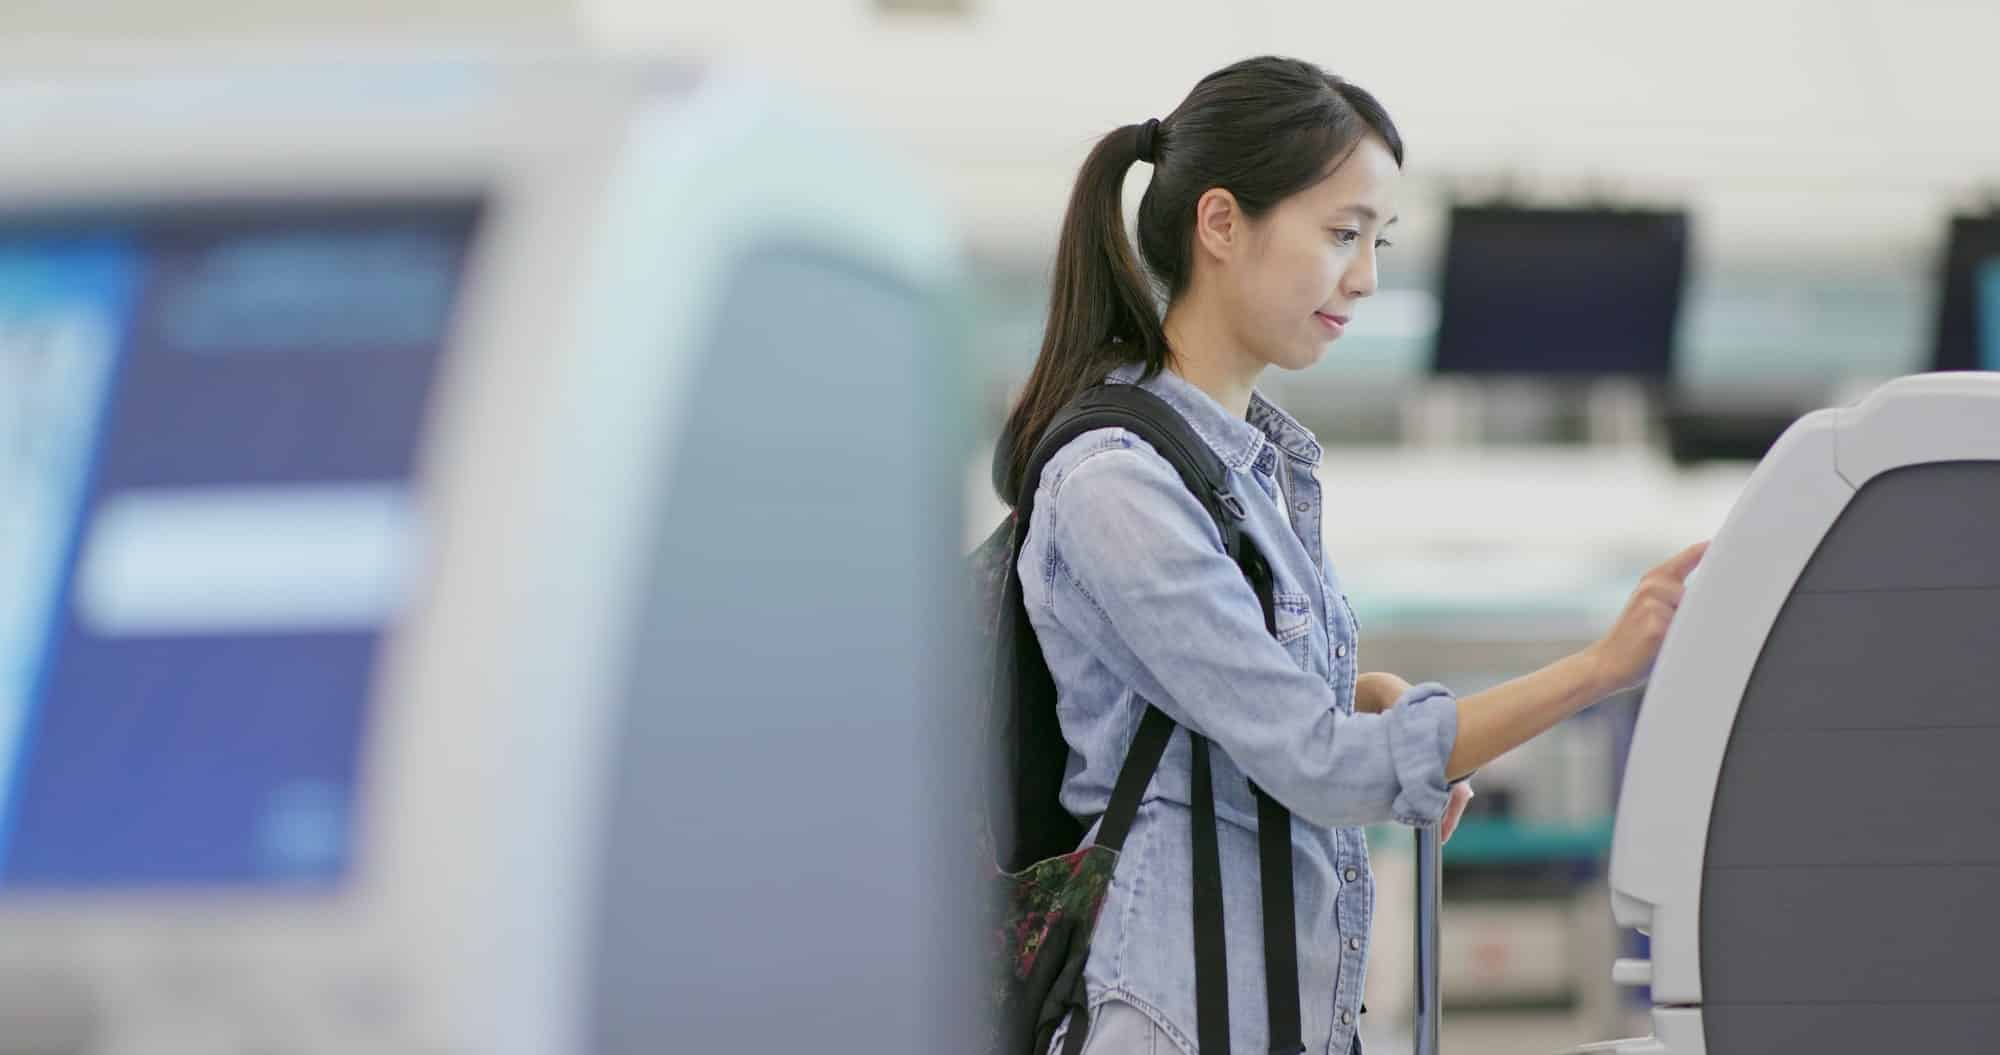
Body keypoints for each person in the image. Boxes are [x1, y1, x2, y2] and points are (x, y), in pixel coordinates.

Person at [997, 55, 1706, 1055]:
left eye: (1376, 240)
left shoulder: (1255, 472)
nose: (1365, 276)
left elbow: (1268, 726)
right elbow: (1323, 768)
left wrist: (1354, 690)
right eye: (1340, 233)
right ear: (1219, 224)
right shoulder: (1118, 483)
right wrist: (1600, 667)